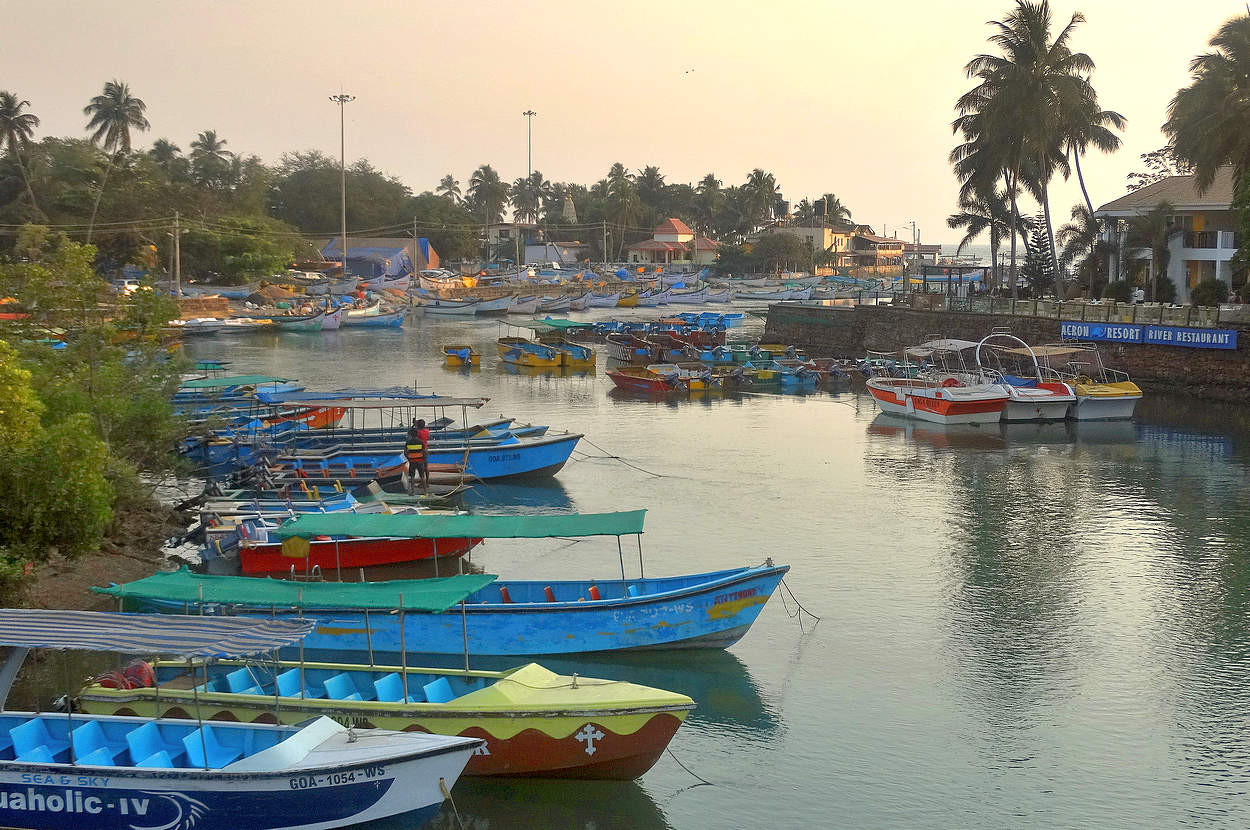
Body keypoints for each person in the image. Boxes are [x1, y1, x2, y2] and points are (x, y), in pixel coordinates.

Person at [404, 418, 430, 494]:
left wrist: (408, 458)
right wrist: (423, 458)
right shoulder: (427, 431)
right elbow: (416, 431)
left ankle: (412, 491)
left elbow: (411, 432)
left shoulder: (409, 442)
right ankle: (426, 488)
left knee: (412, 476)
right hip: (422, 454)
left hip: (413, 459)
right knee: (424, 471)